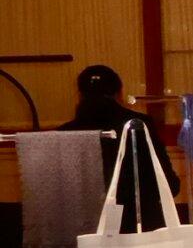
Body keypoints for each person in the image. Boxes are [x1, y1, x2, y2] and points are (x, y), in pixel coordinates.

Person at [59, 64, 180, 232]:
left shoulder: (63, 133)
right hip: (139, 228)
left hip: (84, 231)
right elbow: (170, 185)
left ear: (80, 95)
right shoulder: (138, 125)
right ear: (119, 94)